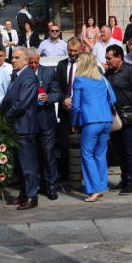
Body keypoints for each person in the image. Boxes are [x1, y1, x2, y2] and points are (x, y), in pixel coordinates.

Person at [71, 53, 115, 202]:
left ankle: (94, 189)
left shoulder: (79, 80)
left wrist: (74, 123)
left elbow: (75, 106)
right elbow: (113, 99)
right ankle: (102, 186)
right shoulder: (103, 79)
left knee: (87, 154)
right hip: (106, 120)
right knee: (100, 154)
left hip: (91, 121)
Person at [105, 45, 132, 195]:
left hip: (130, 119)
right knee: (119, 151)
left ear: (119, 58)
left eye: (109, 58)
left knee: (131, 151)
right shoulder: (108, 73)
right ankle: (124, 179)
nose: (107, 61)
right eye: (106, 58)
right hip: (115, 120)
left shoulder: (131, 71)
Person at [1, 47, 40, 210]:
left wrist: (4, 118)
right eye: (12, 58)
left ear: (26, 60)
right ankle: (24, 195)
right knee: (21, 166)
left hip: (24, 127)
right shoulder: (17, 75)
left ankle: (32, 197)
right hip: (16, 127)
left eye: (17, 58)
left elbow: (21, 104)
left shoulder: (29, 77)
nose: (13, 60)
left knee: (28, 164)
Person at [28, 48, 60, 200]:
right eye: (31, 63)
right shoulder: (22, 73)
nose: (34, 65)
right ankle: (37, 184)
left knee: (48, 155)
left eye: (36, 62)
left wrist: (49, 97)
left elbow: (57, 93)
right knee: (33, 156)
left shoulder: (48, 72)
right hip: (29, 121)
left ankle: (51, 186)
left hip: (45, 119)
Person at [56, 37, 82, 181]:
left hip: (81, 111)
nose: (72, 53)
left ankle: (82, 174)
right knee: (65, 145)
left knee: (83, 144)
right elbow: (57, 85)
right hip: (66, 111)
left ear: (81, 50)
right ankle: (65, 174)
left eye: (75, 51)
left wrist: (76, 102)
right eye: (70, 50)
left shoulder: (85, 65)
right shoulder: (61, 65)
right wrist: (64, 99)